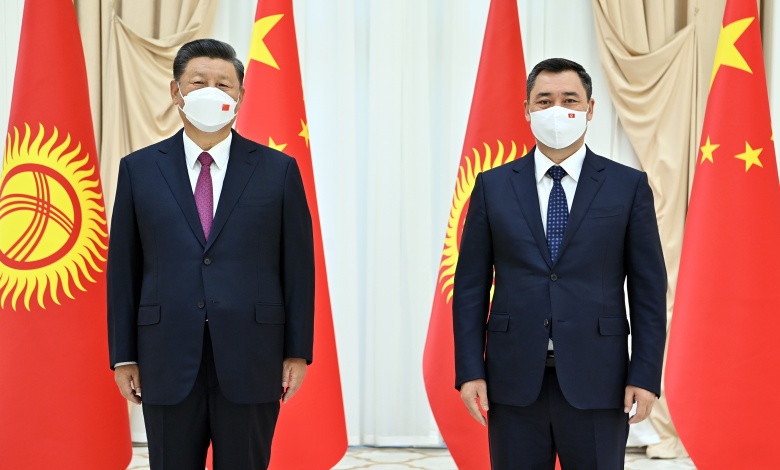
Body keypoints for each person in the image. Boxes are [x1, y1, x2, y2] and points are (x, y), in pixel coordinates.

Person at [107, 38, 314, 470]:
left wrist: (297, 351)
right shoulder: (139, 170)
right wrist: (124, 355)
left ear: (240, 95)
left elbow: (297, 268)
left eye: (223, 84)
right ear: (175, 91)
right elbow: (124, 270)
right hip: (165, 357)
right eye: (198, 82)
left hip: (252, 356)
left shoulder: (278, 170)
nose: (211, 92)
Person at [453, 58, 667, 469]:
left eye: (569, 100)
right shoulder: (492, 186)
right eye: (544, 100)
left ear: (590, 108)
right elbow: (470, 289)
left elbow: (648, 292)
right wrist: (469, 370)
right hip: (512, 380)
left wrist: (644, 375)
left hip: (599, 380)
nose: (556, 110)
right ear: (527, 110)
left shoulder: (627, 186)